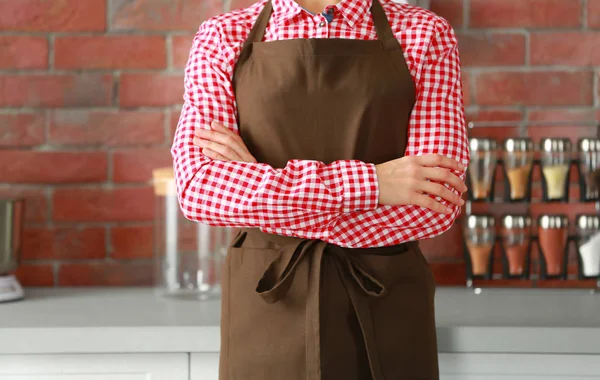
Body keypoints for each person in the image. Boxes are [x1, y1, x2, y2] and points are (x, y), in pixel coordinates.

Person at [171, 0, 469, 378]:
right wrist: (376, 184)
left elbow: (435, 200)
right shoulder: (222, 37)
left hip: (387, 306)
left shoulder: (426, 34)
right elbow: (200, 189)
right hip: (268, 308)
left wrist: (258, 184)